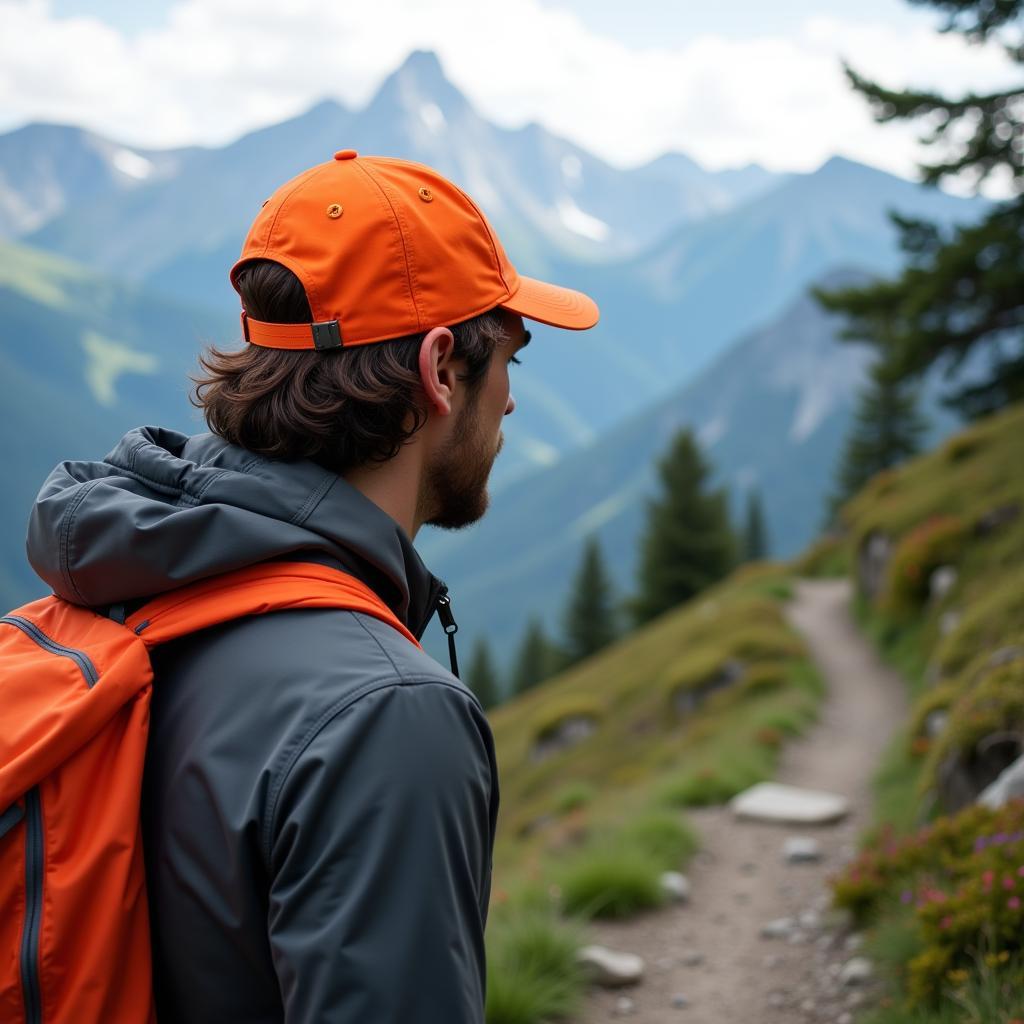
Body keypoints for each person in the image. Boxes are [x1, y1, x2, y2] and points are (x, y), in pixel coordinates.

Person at [25, 150, 599, 1023]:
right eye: (512, 357)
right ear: (441, 368)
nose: (512, 402)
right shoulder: (384, 716)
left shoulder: (111, 576)